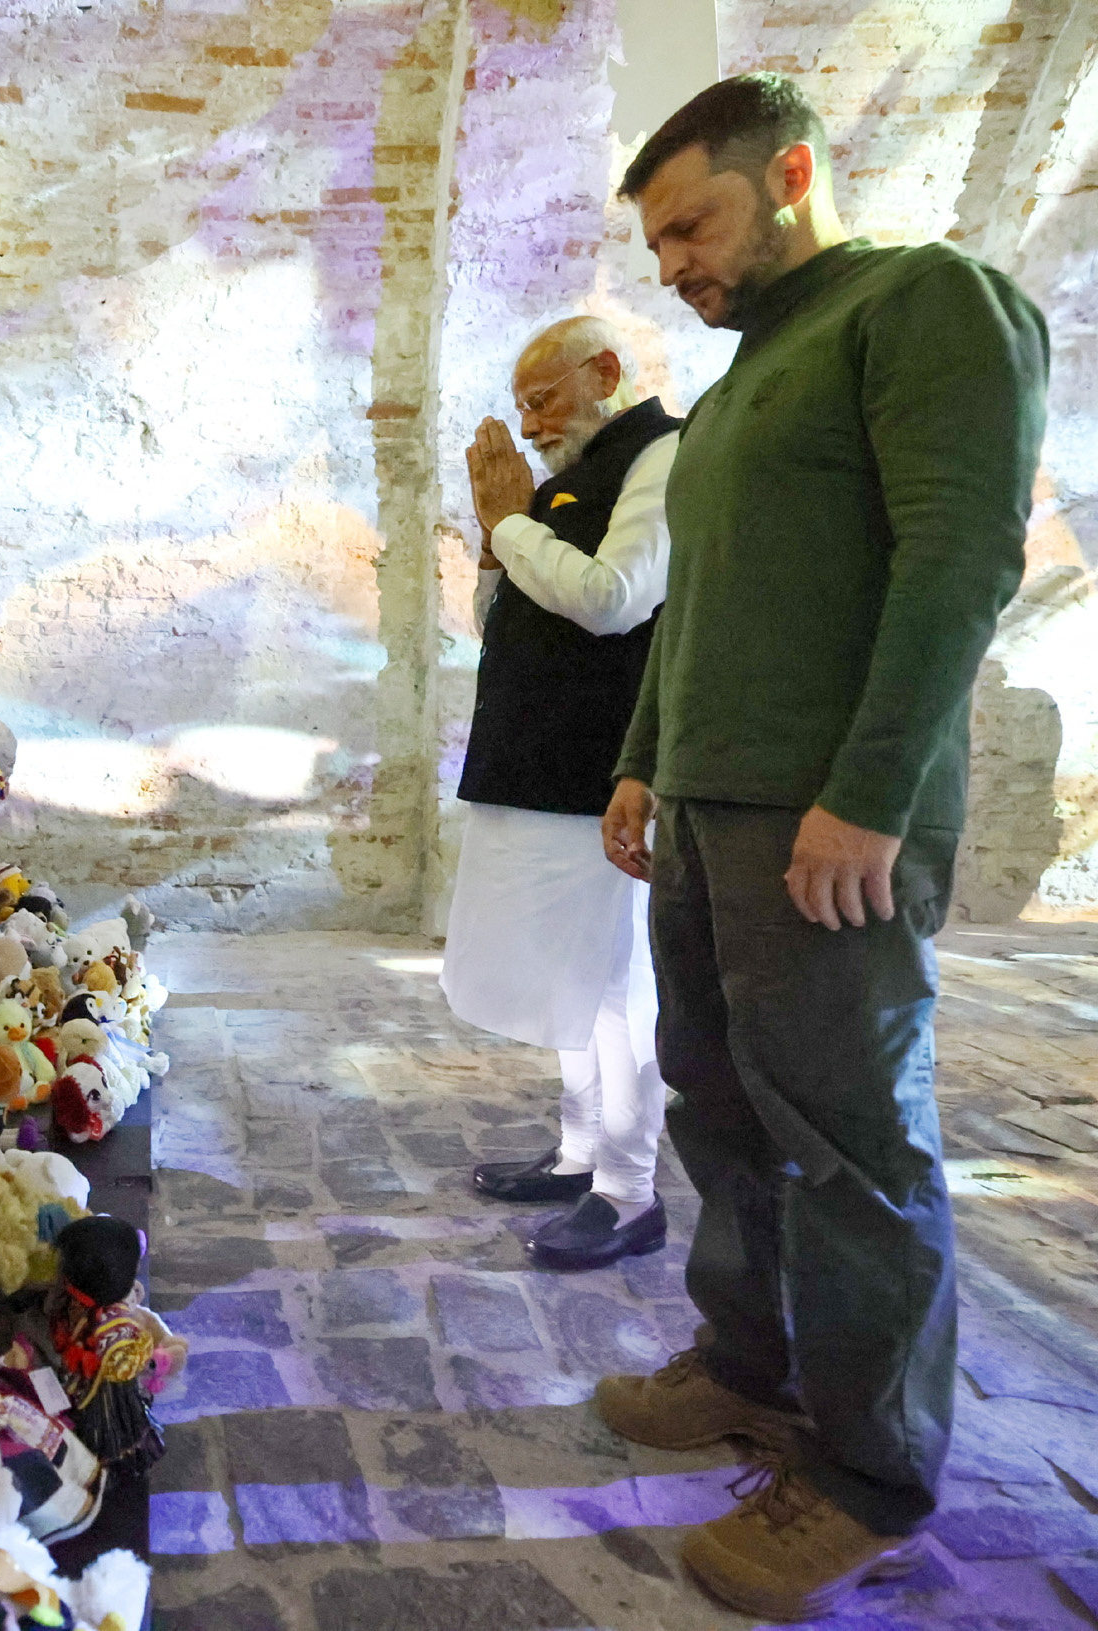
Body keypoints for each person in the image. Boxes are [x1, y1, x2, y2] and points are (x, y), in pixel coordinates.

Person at [594, 74, 1047, 1621]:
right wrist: (645, 759)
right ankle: (748, 1365)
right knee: (719, 1100)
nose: (675, 266)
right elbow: (699, 600)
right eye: (657, 245)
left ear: (789, 172)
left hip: (831, 822)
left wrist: (869, 792)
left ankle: (868, 1470)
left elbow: (962, 555)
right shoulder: (735, 390)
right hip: (715, 812)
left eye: (692, 226)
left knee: (852, 1135)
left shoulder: (928, 305)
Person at [443, 317, 679, 1272]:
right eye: (524, 402)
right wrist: (500, 545)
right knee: (567, 974)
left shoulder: (660, 457)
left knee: (621, 984)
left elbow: (617, 594)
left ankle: (629, 1193)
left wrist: (511, 523)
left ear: (607, 374)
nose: (531, 422)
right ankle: (582, 1149)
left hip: (606, 770)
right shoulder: (561, 481)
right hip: (540, 764)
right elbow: (501, 619)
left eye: (544, 398)